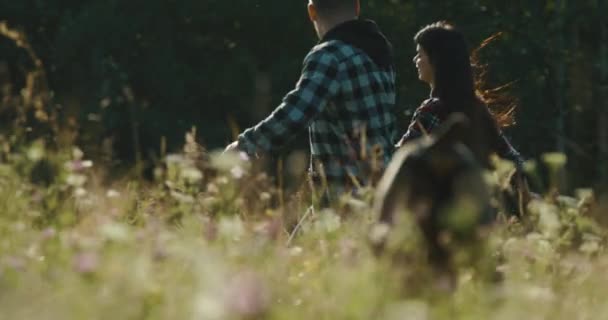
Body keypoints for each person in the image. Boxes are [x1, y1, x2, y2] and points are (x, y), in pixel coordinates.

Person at [226, 0, 397, 201]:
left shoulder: (330, 55)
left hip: (345, 198)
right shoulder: (378, 50)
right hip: (384, 191)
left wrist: (243, 147)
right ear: (357, 6)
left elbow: (294, 115)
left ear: (312, 11)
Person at [397, 21, 524, 171]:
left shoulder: (432, 111)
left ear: (436, 60)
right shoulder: (478, 109)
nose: (415, 60)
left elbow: (400, 161)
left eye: (420, 54)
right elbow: (515, 163)